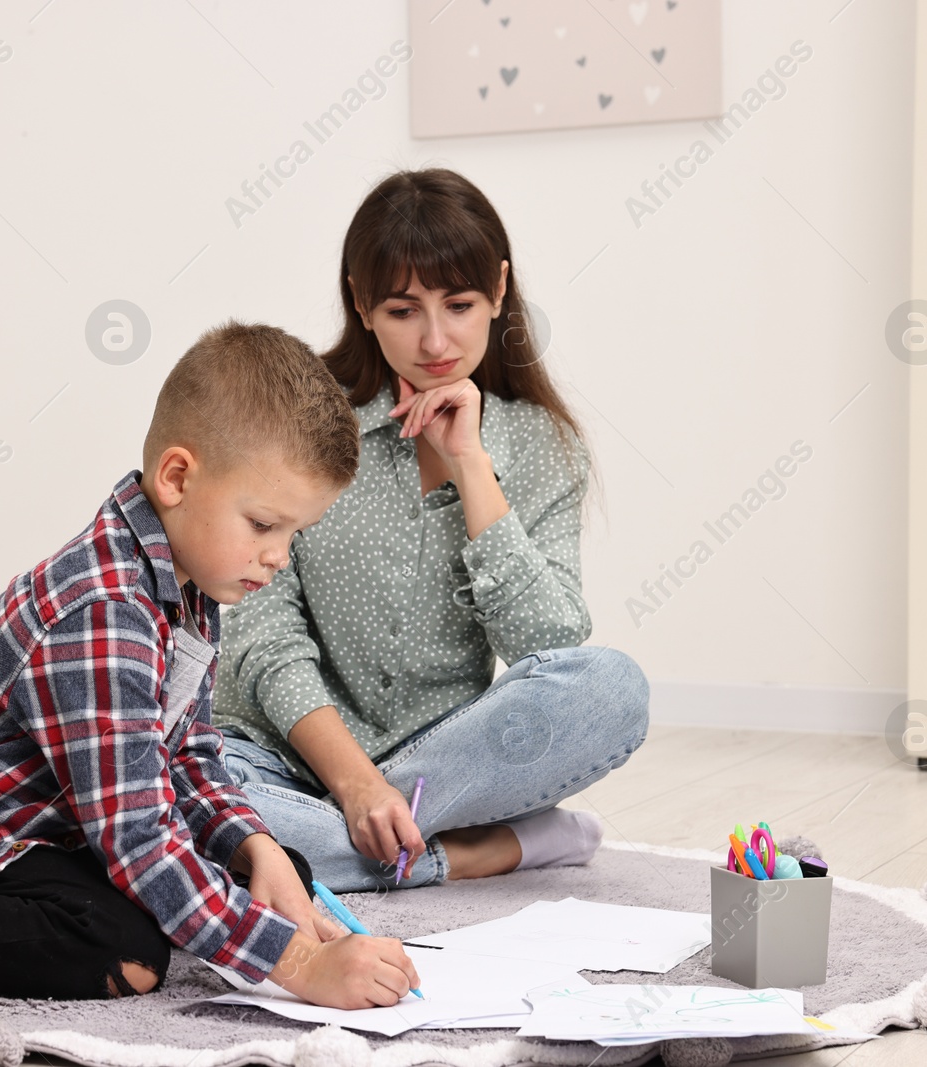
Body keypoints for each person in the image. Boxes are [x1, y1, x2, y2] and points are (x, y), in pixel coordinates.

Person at [0, 321, 421, 1007]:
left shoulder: (192, 584)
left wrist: (256, 848)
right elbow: (139, 833)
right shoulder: (100, 610)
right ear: (178, 477)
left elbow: (186, 755)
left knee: (277, 873)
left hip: (49, 833)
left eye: (294, 533)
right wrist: (298, 963)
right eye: (265, 525)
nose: (278, 555)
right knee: (122, 950)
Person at [213, 169, 652, 893]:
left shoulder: (538, 444)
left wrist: (472, 466)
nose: (436, 338)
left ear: (499, 291)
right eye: (403, 309)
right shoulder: (299, 421)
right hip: (277, 754)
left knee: (615, 687)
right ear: (362, 302)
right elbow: (263, 636)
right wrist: (354, 786)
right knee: (175, 789)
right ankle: (464, 852)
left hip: (438, 772)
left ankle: (328, 844)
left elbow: (547, 650)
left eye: (460, 304)